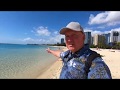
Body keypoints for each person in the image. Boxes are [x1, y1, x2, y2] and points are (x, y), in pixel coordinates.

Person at [46, 21, 112, 79]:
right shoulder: (68, 54)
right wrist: (50, 51)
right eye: (67, 36)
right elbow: (59, 54)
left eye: (74, 35)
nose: (69, 40)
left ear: (83, 37)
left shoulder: (94, 62)